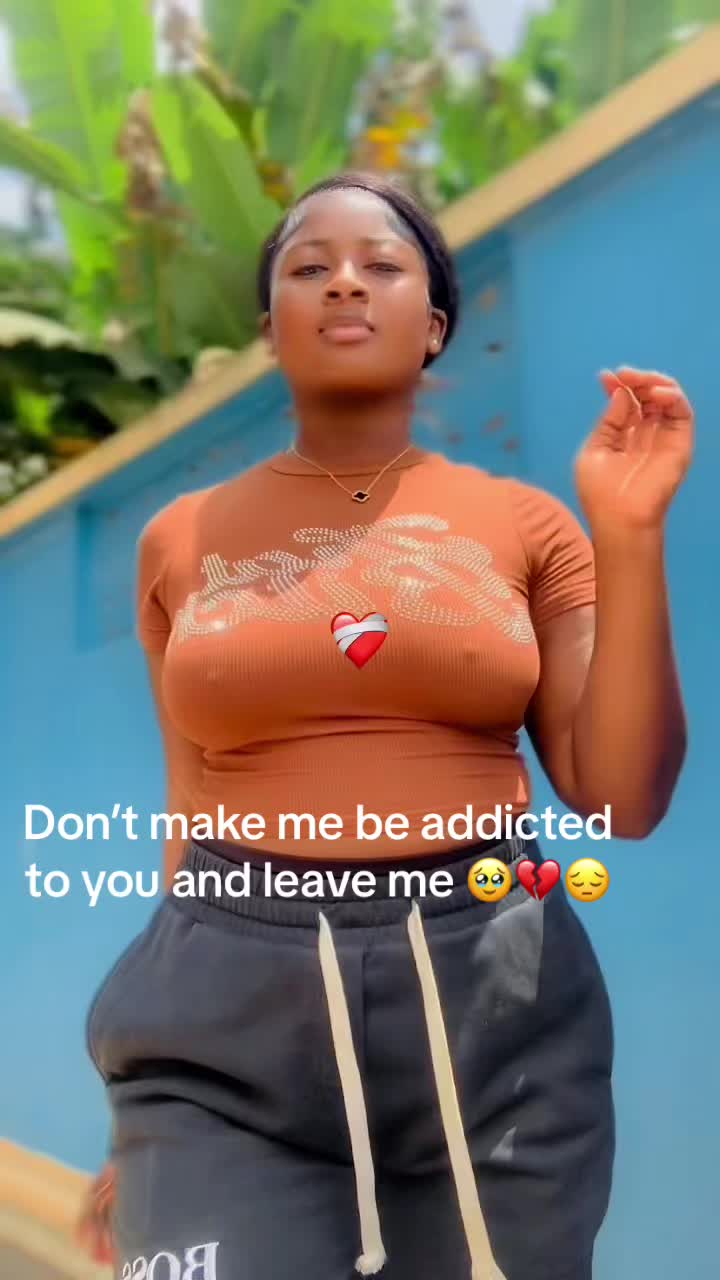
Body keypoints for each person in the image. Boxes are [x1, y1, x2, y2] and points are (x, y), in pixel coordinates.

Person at [77, 172, 692, 1280]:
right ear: (271, 327)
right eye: (308, 268)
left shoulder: (527, 525)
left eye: (382, 265)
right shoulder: (178, 539)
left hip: (492, 1001)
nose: (344, 283)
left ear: (435, 325)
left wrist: (629, 532)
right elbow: (191, 799)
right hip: (221, 1006)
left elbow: (623, 798)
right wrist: (136, 1137)